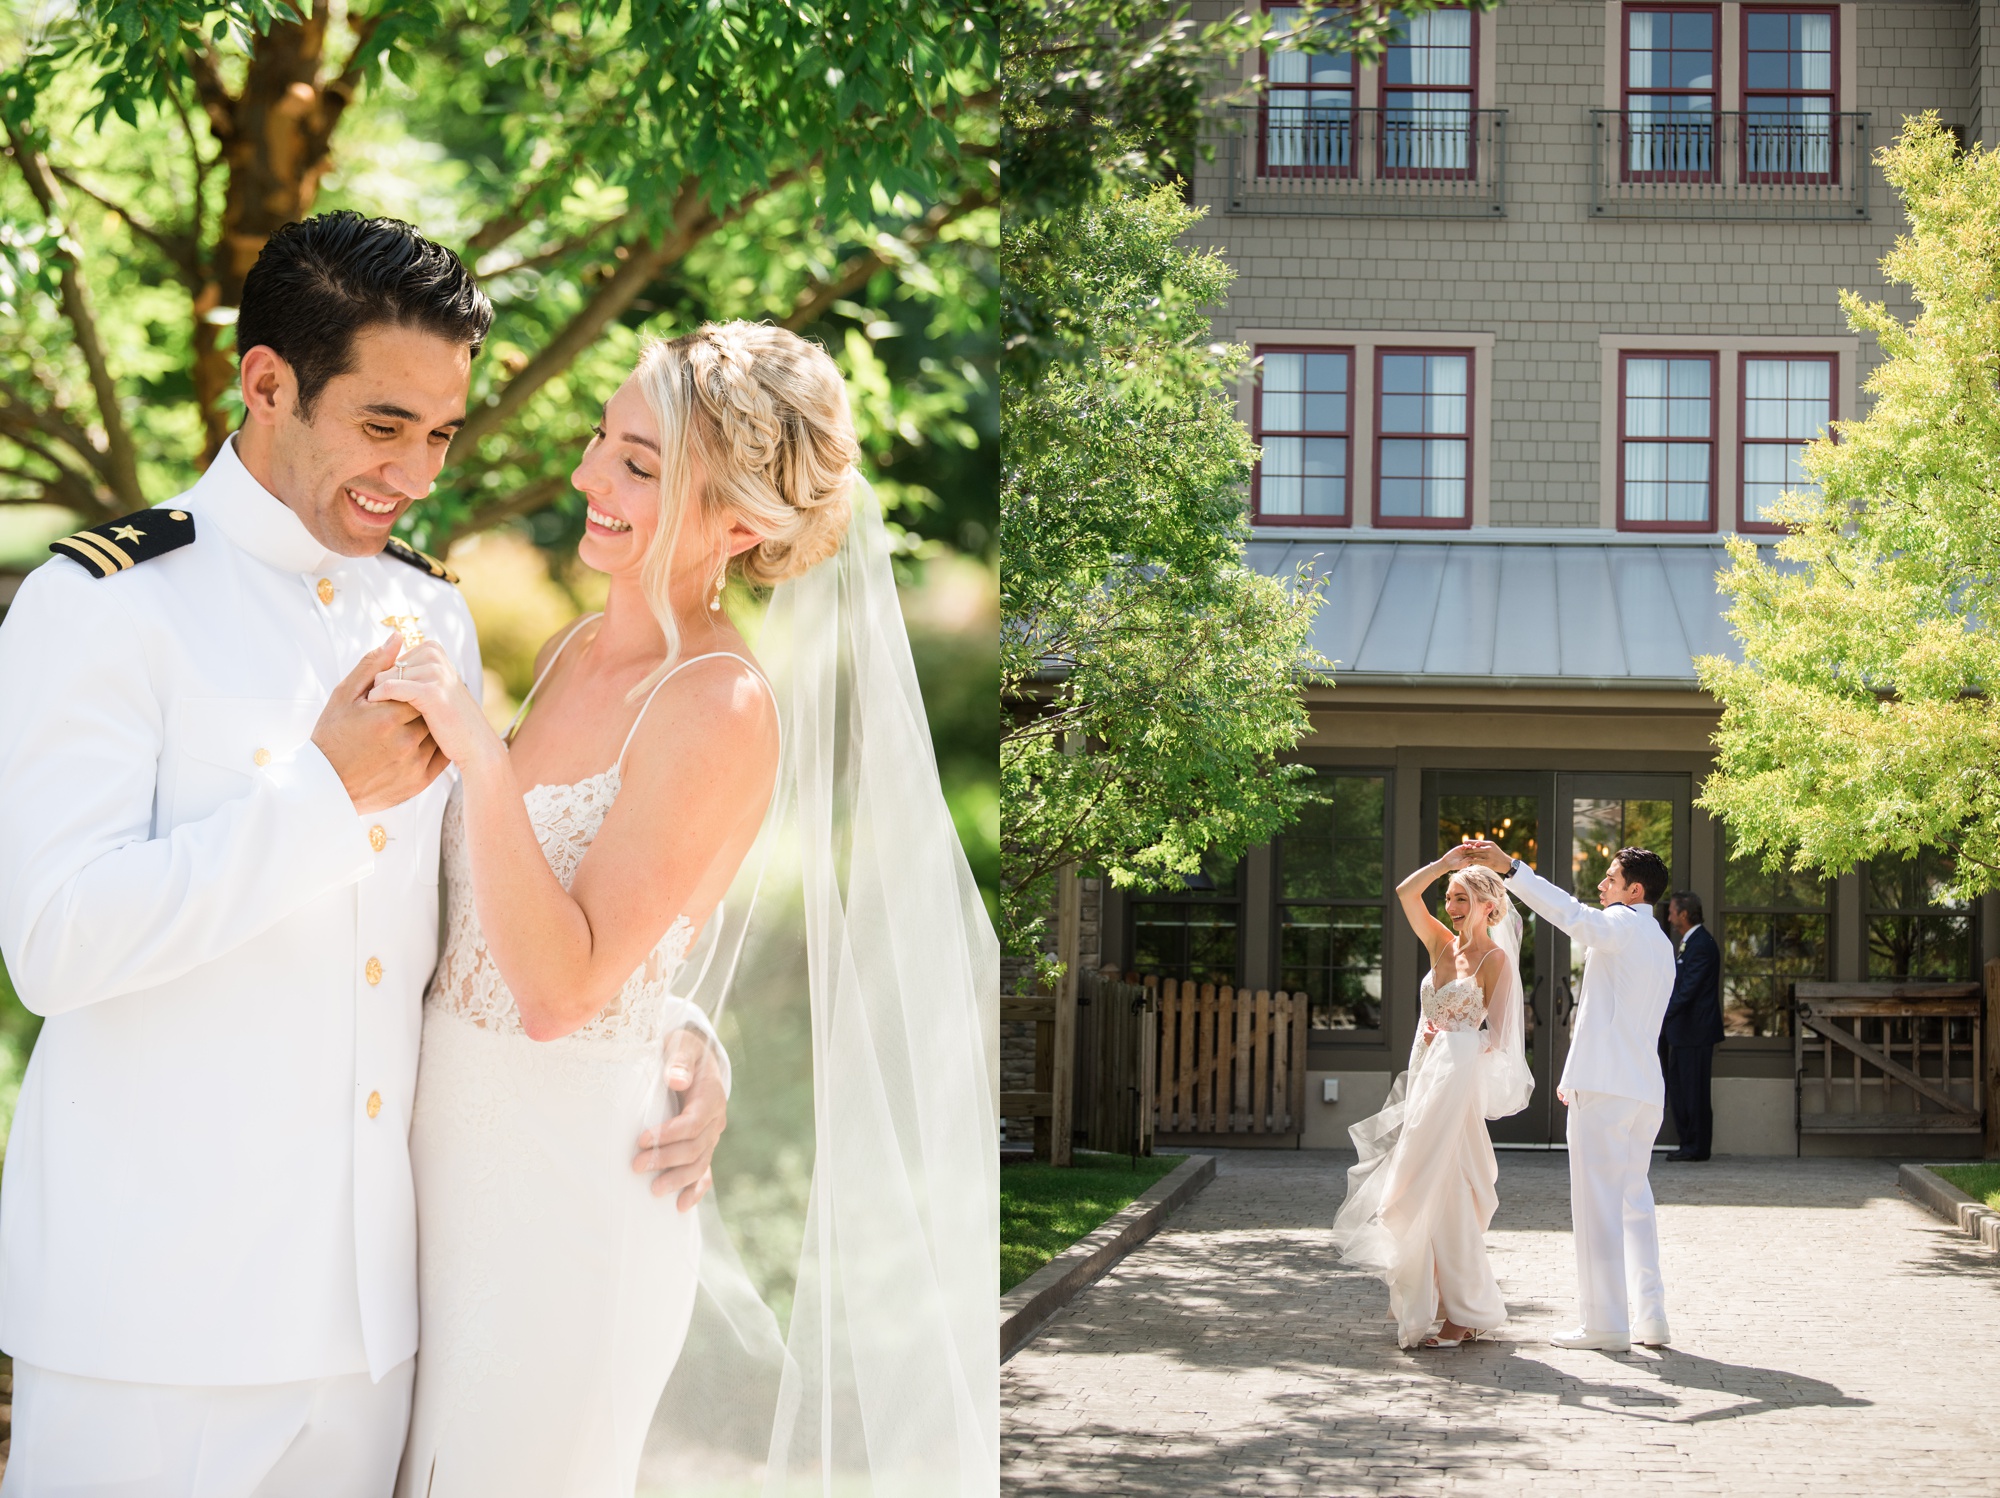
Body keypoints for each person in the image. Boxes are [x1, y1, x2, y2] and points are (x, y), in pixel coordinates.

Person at [0, 212, 730, 1496]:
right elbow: (55, 943)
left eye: (441, 434)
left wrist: (674, 1039)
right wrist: (322, 799)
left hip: (382, 1332)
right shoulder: (104, 603)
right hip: (156, 1324)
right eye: (384, 426)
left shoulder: (428, 607)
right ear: (268, 384)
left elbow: (484, 917)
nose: (417, 472)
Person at [368, 322, 998, 1494]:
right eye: (602, 442)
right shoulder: (565, 653)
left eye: (640, 465)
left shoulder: (719, 704)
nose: (587, 480)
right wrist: (686, 1032)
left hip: (562, 1206)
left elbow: (560, 991)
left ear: (743, 522)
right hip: (437, 1178)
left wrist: (475, 747)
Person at [1466, 840, 1676, 1353]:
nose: (1602, 885)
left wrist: (1513, 870)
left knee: (1597, 1205)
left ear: (1635, 890)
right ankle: (1650, 1318)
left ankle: (1605, 1324)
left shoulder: (1623, 925)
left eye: (1610, 877)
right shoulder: (1660, 941)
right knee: (1634, 1202)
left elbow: (1571, 914)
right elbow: (1610, 1015)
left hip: (1606, 1088)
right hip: (1643, 1088)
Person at [1330, 848, 1533, 1350]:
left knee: (1442, 1187)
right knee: (1425, 1189)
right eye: (1449, 897)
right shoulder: (1440, 946)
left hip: (1456, 1078)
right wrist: (1445, 864)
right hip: (1426, 1077)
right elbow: (1405, 893)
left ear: (1489, 904)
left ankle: (1464, 1310)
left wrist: (1452, 1038)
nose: (1451, 906)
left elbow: (1501, 1038)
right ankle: (1448, 1305)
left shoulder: (1495, 959)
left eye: (1462, 898)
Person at [1661, 891, 1724, 1162]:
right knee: (1681, 1088)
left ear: (1684, 914)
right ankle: (1688, 1143)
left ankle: (1696, 1147)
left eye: (1673, 911)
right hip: (1684, 1033)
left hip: (1695, 1033)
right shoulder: (1691, 942)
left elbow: (1688, 990)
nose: (1669, 916)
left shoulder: (1702, 944)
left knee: (1693, 1091)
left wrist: (1661, 1013)